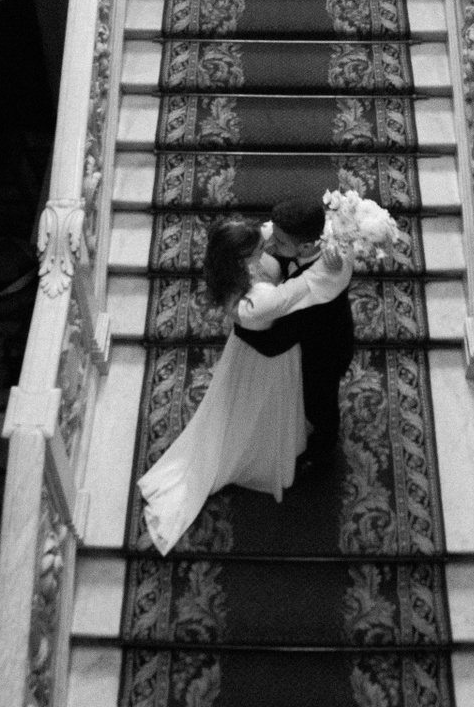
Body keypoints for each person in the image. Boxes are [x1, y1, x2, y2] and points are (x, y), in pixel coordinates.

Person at [136, 217, 350, 555]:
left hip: (259, 350)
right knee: (261, 407)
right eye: (262, 247)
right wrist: (332, 262)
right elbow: (304, 285)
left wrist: (329, 236)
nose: (269, 245)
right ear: (243, 257)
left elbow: (273, 230)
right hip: (268, 360)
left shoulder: (238, 258)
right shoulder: (257, 302)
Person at [234, 195, 357, 479]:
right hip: (311, 326)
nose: (270, 244)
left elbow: (271, 308)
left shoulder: (323, 275)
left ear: (305, 247)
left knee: (319, 403)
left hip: (326, 347)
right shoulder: (322, 231)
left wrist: (234, 313)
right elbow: (270, 232)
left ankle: (322, 451)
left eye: (279, 242)